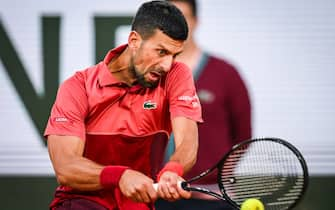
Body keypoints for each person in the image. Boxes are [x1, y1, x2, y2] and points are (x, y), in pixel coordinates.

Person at [44, 1, 203, 209]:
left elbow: (187, 140)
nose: (167, 65)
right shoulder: (78, 87)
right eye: (161, 52)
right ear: (134, 40)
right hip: (81, 204)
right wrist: (120, 176)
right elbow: (65, 167)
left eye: (175, 55)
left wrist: (173, 169)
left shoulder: (176, 75)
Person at [155, 0, 252, 210]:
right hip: (156, 196)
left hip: (210, 199)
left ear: (196, 22)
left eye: (182, 18)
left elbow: (243, 137)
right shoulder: (149, 75)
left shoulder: (225, 73)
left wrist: (216, 178)